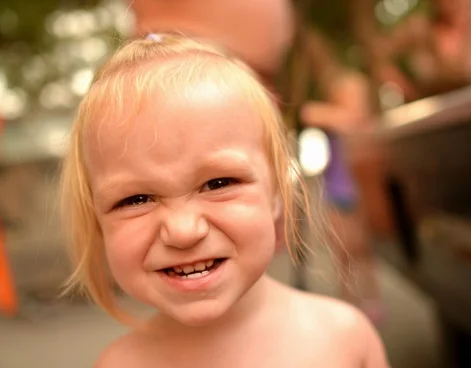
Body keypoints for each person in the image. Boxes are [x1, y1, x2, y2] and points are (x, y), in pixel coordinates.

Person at [60, 34, 407, 368]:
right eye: (136, 199)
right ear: (96, 219)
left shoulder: (344, 339)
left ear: (277, 191)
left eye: (218, 182)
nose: (183, 230)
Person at [124, 0, 384, 322]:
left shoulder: (347, 85)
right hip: (331, 176)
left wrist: (311, 113)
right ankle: (354, 296)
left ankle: (366, 297)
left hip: (346, 173)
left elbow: (354, 121)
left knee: (354, 243)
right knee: (339, 239)